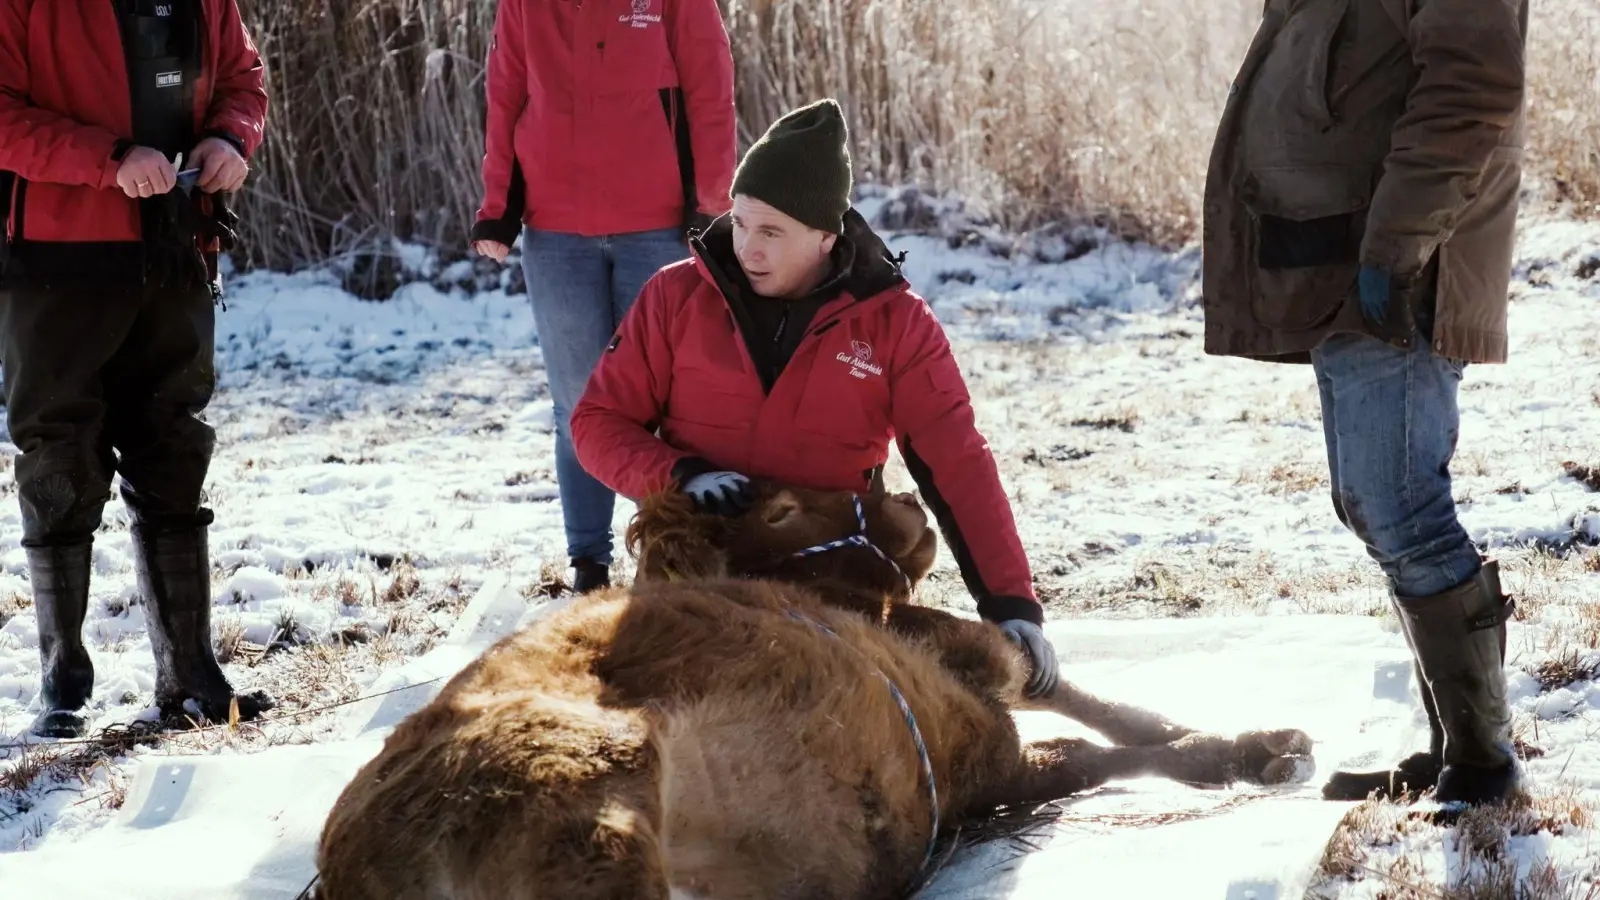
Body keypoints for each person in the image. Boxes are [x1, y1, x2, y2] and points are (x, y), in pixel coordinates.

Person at [570, 99, 1062, 698]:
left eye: (771, 232)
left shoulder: (896, 323)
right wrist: (680, 475)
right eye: (740, 222)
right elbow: (597, 421)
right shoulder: (674, 297)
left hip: (834, 561)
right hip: (703, 552)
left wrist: (1010, 602)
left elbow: (957, 462)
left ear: (827, 236)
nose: (747, 247)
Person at [1201, 0, 1529, 805]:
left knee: (1401, 506)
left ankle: (1482, 764)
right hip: (1343, 258)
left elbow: (1473, 86)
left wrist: (1395, 246)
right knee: (1372, 505)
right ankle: (1454, 749)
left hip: (1398, 265)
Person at [0, 0, 273, 738]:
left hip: (179, 245)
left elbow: (243, 80)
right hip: (56, 257)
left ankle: (189, 673)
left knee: (175, 446)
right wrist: (111, 158)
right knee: (58, 454)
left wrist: (230, 138)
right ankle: (62, 677)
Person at [471, 0, 738, 594]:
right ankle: (588, 564)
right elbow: (506, 92)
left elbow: (710, 83)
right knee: (578, 406)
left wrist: (711, 202)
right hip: (556, 232)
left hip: (658, 227)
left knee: (668, 405)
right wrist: (498, 207)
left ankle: (673, 556)